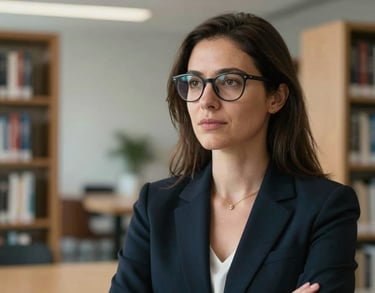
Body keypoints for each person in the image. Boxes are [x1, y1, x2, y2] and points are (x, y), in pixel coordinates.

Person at [109, 12, 360, 293]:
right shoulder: (154, 206)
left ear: (276, 97)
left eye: (229, 81)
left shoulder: (326, 207)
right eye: (194, 82)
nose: (206, 101)